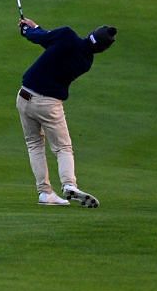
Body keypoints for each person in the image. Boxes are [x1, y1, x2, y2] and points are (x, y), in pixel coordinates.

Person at [15, 17, 116, 208]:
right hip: (48, 104)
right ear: (102, 49)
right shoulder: (86, 62)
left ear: (91, 33)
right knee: (63, 148)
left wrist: (28, 30)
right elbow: (50, 41)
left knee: (34, 144)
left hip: (24, 96)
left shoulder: (66, 35)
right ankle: (69, 184)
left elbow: (43, 38)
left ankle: (45, 192)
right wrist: (34, 29)